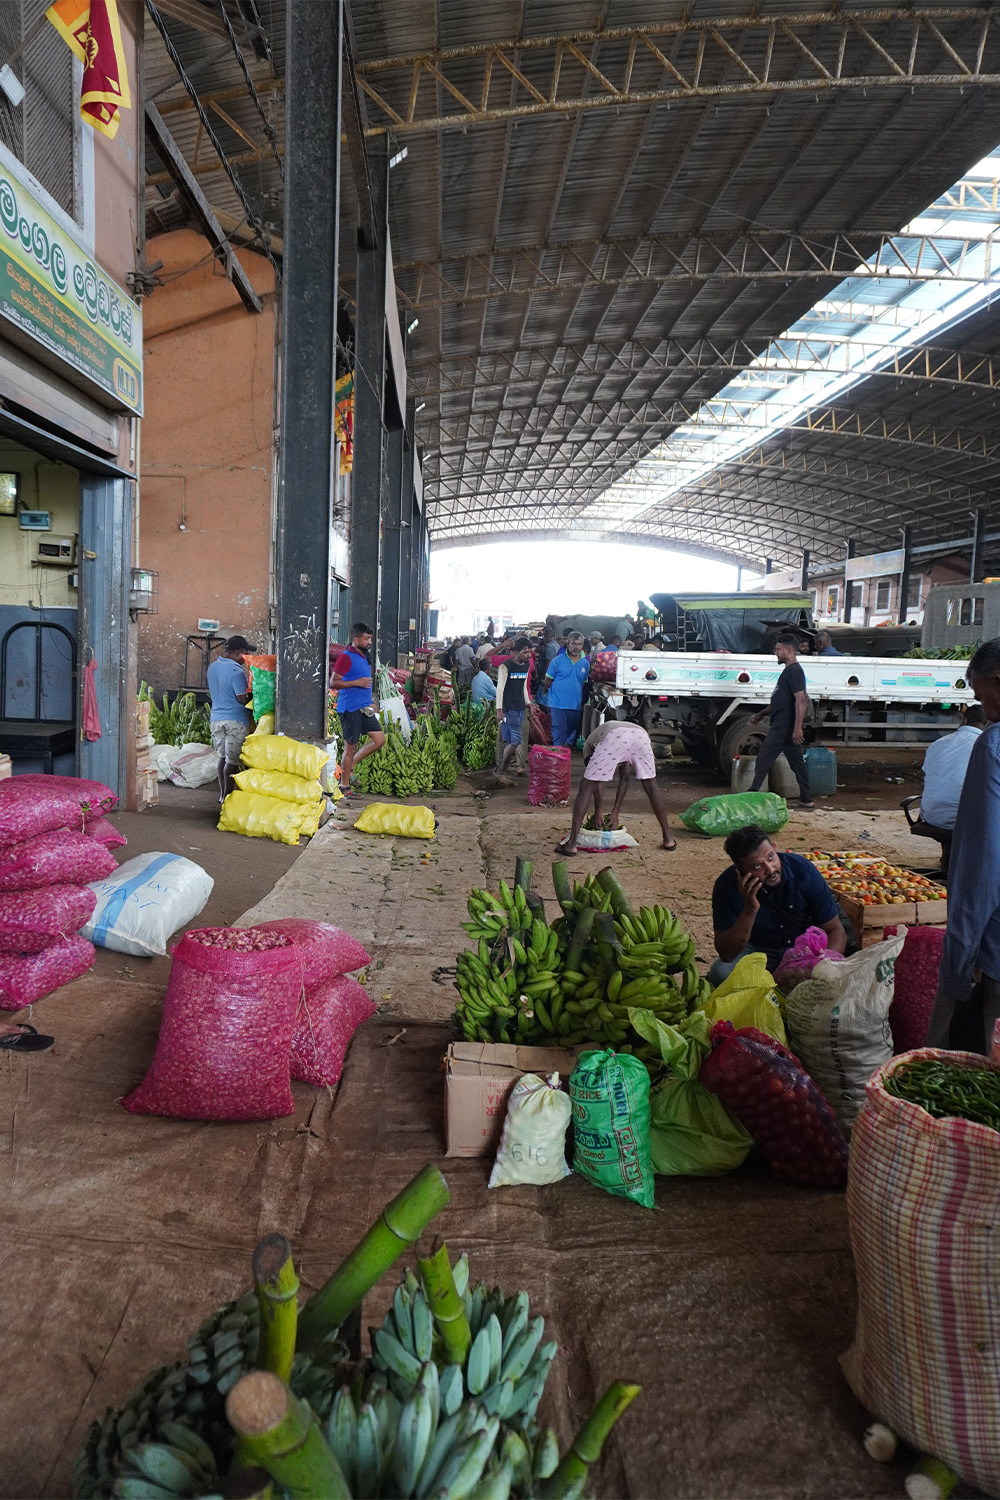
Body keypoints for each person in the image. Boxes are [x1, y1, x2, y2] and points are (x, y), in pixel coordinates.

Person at [927, 640, 1000, 1052]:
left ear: (997, 681)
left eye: (979, 690)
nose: (978, 701)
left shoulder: (993, 747)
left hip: (995, 951)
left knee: (969, 1064)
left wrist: (958, 962)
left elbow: (981, 865)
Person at [708, 823, 849, 986]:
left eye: (771, 857)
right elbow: (727, 955)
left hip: (805, 950)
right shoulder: (726, 886)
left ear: (774, 848)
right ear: (740, 870)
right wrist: (750, 909)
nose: (770, 869)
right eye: (757, 866)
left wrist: (819, 966)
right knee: (720, 973)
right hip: (758, 952)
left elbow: (835, 930)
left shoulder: (803, 872)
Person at [557, 720, 676, 854]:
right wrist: (614, 812)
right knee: (651, 786)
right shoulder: (604, 735)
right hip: (641, 736)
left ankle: (571, 844)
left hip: (614, 736)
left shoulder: (588, 745)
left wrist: (599, 811)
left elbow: (596, 780)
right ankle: (668, 839)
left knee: (586, 786)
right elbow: (624, 778)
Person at [747, 632, 814, 808]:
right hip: (784, 725)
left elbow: (801, 699)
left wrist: (797, 728)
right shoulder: (789, 671)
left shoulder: (795, 671)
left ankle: (752, 794)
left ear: (790, 651)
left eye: (779, 649)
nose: (775, 652)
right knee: (797, 763)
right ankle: (807, 798)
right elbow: (782, 701)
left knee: (764, 758)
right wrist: (761, 714)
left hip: (784, 726)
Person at [330, 622, 385, 793]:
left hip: (364, 708)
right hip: (350, 708)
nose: (370, 642)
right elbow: (333, 682)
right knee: (350, 748)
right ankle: (344, 786)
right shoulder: (346, 657)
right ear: (356, 639)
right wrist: (357, 683)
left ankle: (352, 764)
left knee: (379, 740)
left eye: (370, 638)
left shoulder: (363, 656)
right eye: (366, 639)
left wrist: (370, 701)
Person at [920, 706, 986, 831]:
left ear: (965, 721)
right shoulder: (986, 746)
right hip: (964, 822)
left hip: (931, 816)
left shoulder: (937, 743)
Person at [207, 634, 254, 803]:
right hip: (235, 721)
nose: (246, 658)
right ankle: (227, 797)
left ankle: (221, 794)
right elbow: (241, 698)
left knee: (222, 757)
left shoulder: (212, 667)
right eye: (245, 654)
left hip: (216, 719)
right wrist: (255, 697)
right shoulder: (236, 672)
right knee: (232, 761)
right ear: (238, 653)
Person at [543, 631, 590, 746]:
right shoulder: (557, 661)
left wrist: (582, 701)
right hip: (558, 704)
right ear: (567, 644)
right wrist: (546, 690)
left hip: (575, 705)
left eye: (579, 644)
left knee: (571, 735)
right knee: (559, 734)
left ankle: (565, 753)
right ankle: (558, 754)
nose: (576, 647)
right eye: (573, 643)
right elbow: (548, 680)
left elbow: (583, 684)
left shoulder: (585, 663)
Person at [495, 638, 533, 777]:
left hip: (520, 707)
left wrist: (528, 703)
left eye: (529, 652)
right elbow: (500, 689)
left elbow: (523, 686)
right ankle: (501, 769)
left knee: (511, 740)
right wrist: (499, 710)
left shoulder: (526, 665)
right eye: (525, 652)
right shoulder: (505, 666)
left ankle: (501, 771)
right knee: (515, 740)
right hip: (508, 708)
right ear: (516, 651)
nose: (528, 655)